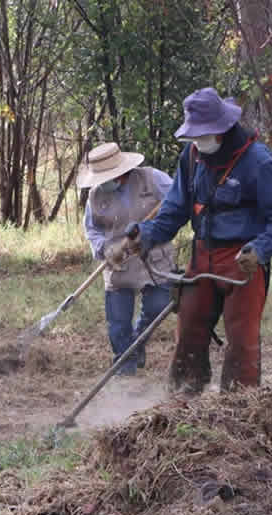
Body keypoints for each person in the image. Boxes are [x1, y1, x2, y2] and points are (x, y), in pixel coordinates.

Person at [107, 87, 272, 394]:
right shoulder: (192, 157)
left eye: (204, 134)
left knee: (242, 339)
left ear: (223, 128)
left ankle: (240, 407)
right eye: (194, 135)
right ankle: (183, 401)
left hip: (241, 262)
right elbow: (173, 211)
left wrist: (259, 250)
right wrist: (143, 237)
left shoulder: (257, 161)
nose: (199, 140)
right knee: (189, 330)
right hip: (203, 255)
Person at [78, 142, 176, 376]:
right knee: (118, 325)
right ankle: (125, 368)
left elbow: (176, 203)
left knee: (158, 306)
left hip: (154, 258)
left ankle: (137, 344)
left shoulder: (152, 179)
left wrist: (151, 229)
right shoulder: (95, 195)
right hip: (117, 262)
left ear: (121, 171)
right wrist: (104, 248)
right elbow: (92, 229)